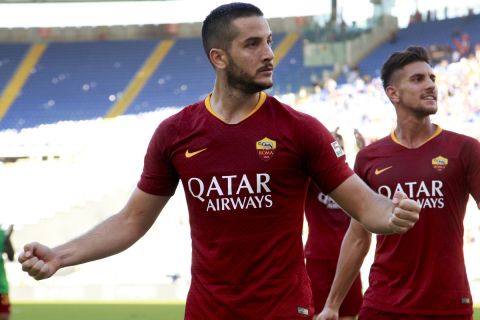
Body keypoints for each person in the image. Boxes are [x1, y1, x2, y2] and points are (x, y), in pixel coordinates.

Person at [18, 3, 420, 319]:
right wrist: (60, 255)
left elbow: (367, 208)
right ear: (219, 57)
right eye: (252, 44)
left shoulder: (300, 130)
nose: (269, 54)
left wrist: (394, 212)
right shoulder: (176, 134)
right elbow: (131, 221)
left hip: (283, 312)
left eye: (269, 41)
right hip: (208, 312)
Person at [318, 46, 480, 320]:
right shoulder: (370, 158)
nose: (430, 86)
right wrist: (332, 305)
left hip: (447, 305)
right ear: (393, 93)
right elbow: (358, 236)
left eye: (432, 78)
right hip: (383, 305)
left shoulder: (465, 149)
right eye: (418, 79)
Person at [304, 128, 366, 320]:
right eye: (331, 144)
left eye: (339, 144)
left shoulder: (352, 181)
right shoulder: (312, 180)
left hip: (349, 258)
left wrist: (363, 151)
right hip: (318, 259)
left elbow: (368, 187)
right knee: (319, 314)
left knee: (349, 314)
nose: (335, 146)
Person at [1, 225, 14, 320]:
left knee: (4, 316)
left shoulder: (2, 234)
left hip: (1, 287)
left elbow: (11, 256)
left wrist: (8, 238)